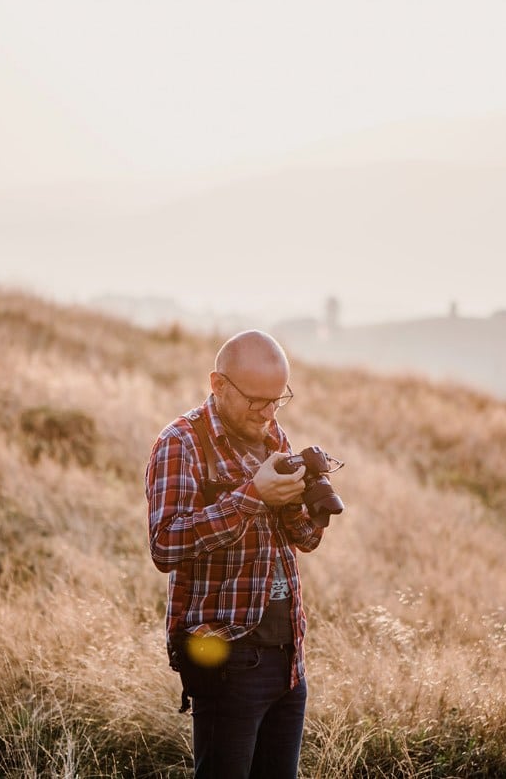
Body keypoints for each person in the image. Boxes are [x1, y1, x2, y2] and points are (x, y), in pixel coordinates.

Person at [145, 329, 328, 778]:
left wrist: (304, 505)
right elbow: (165, 543)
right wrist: (252, 494)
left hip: (289, 656)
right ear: (218, 384)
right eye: (256, 401)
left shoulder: (271, 436)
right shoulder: (182, 443)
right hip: (226, 657)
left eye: (277, 400)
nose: (268, 414)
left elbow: (303, 540)